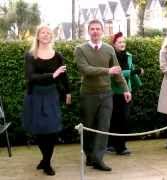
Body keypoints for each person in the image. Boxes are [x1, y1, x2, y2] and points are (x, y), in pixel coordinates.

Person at [74, 20, 131, 171]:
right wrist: (107, 71)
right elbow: (85, 70)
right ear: (88, 31)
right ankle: (89, 155)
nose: (95, 31)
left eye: (98, 29)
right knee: (88, 127)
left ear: (102, 31)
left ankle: (98, 159)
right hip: (88, 94)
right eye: (92, 29)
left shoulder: (109, 49)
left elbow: (117, 71)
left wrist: (125, 89)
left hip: (106, 94)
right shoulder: (80, 49)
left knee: (103, 126)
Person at [22, 24, 71, 176]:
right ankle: (45, 159)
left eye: (48, 33)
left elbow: (63, 76)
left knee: (52, 130)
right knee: (38, 131)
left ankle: (47, 162)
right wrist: (52, 75)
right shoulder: (31, 55)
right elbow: (31, 77)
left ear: (51, 36)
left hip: (52, 95)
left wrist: (68, 92)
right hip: (35, 95)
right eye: (43, 32)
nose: (45, 35)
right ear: (37, 36)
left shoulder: (58, 56)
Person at [107, 32, 143, 155]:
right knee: (115, 119)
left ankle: (119, 145)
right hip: (113, 91)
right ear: (114, 44)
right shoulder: (110, 56)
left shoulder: (128, 55)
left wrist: (138, 83)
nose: (122, 44)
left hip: (127, 91)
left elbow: (131, 69)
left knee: (124, 119)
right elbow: (116, 74)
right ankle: (116, 146)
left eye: (124, 42)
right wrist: (133, 72)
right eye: (119, 42)